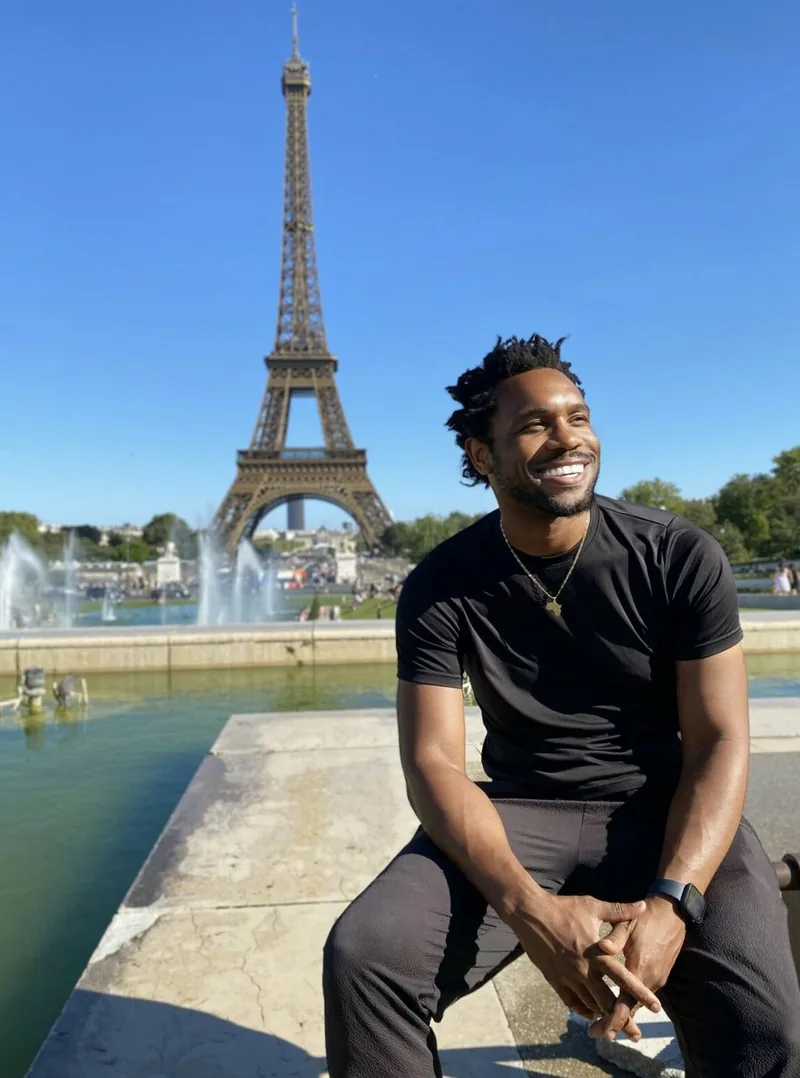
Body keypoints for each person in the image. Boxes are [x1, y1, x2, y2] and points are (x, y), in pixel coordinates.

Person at [323, 334, 800, 1077]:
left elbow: (719, 741)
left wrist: (673, 904)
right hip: (520, 809)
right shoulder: (440, 585)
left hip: (664, 803)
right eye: (535, 425)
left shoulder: (678, 554)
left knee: (765, 1020)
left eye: (577, 417)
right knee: (365, 958)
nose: (567, 438)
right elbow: (434, 763)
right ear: (483, 456)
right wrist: (530, 912)